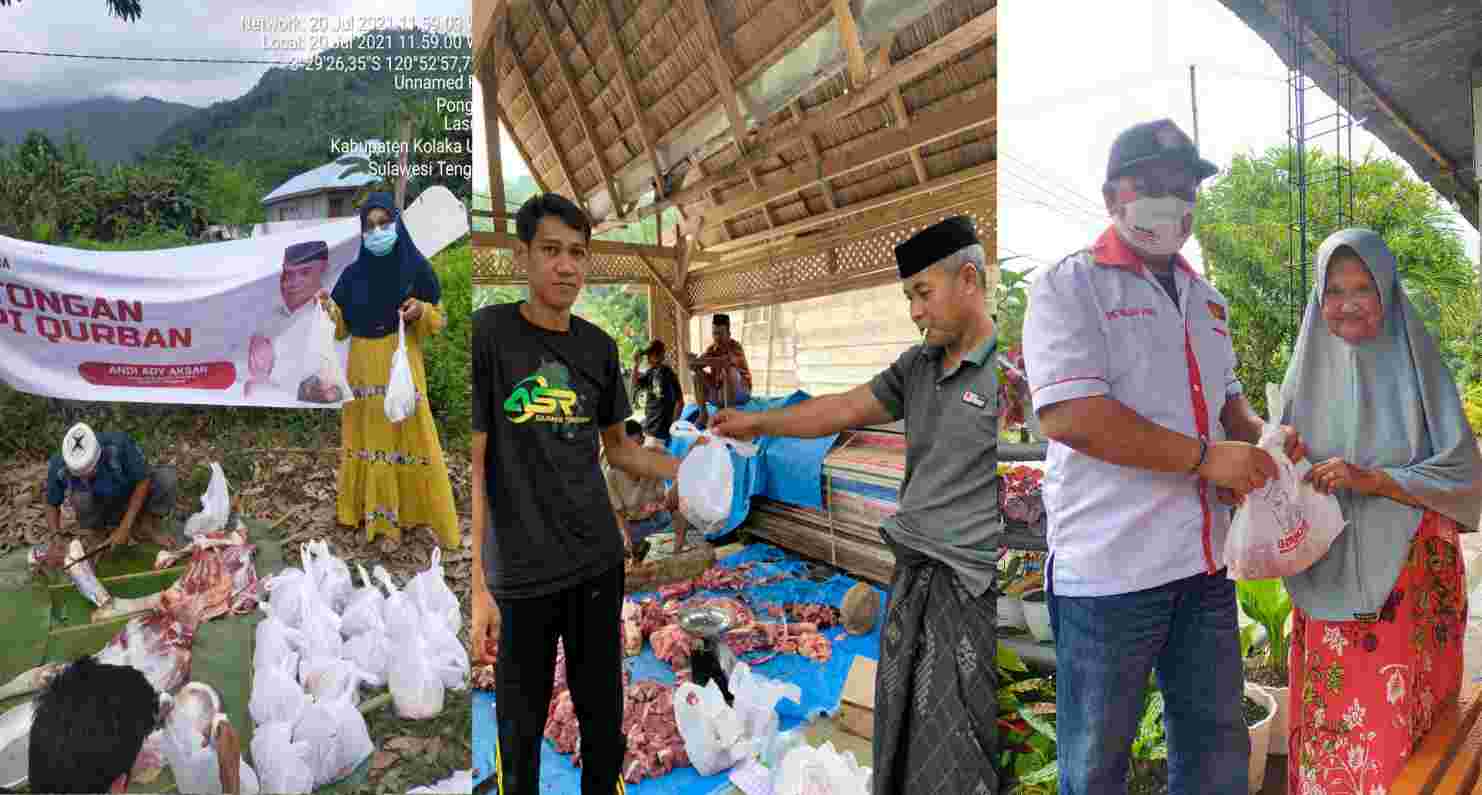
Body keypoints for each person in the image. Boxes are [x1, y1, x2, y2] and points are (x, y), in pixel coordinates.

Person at [1022, 118, 1299, 794]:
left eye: (1185, 188)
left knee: (1215, 755)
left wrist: (1264, 438)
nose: (1172, 201)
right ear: (1113, 194)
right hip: (1110, 576)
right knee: (1095, 767)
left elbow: (1230, 402)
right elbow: (1071, 414)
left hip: (1204, 569)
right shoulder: (1071, 287)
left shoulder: (1209, 302)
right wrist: (1209, 459)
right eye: (1153, 185)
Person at [711, 215, 1000, 795]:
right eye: (908, 297)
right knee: (901, 719)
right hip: (914, 574)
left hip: (972, 586)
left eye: (923, 293)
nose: (915, 311)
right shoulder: (917, 366)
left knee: (960, 736)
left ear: (968, 279)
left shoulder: (1006, 371)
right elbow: (841, 408)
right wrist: (758, 421)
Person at [470, 193, 694, 794]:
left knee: (604, 721)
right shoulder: (489, 336)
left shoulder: (598, 347)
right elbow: (476, 462)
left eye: (577, 253)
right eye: (551, 251)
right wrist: (479, 587)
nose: (566, 266)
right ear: (524, 257)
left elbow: (620, 449)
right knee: (518, 735)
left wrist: (689, 468)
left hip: (595, 563)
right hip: (519, 575)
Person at [1280, 229, 1482, 793]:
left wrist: (1375, 480)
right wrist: (1284, 455)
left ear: (1387, 291)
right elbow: (1279, 471)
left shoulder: (1418, 364)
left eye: (1363, 287)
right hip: (1326, 571)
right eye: (1335, 289)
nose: (1347, 302)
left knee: (1405, 734)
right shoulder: (1306, 371)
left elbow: (1464, 473)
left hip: (1408, 585)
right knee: (1336, 727)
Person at [317, 192, 459, 549]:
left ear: (396, 223)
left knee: (409, 436)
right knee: (370, 441)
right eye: (371, 226)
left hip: (402, 368)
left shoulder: (416, 268)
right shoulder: (352, 275)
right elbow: (341, 327)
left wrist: (421, 312)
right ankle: (374, 519)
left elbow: (439, 318)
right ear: (363, 232)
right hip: (362, 371)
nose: (378, 231)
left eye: (384, 223)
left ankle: (411, 516)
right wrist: (327, 309)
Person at [45, 422, 178, 549]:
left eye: (89, 473)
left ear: (98, 457)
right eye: (79, 476)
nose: (84, 479)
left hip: (130, 496)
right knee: (81, 497)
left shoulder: (119, 444)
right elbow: (51, 503)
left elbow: (143, 480)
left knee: (167, 478)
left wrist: (124, 528)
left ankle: (147, 525)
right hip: (101, 507)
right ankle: (98, 534)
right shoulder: (59, 464)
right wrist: (56, 538)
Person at [244, 240, 342, 404]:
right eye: (288, 274)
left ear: (323, 268)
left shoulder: (330, 311)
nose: (293, 282)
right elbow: (250, 384)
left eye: (305, 273)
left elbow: (334, 390)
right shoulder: (270, 318)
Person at [605, 420, 691, 558]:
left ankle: (677, 552)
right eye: (630, 447)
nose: (634, 453)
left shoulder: (653, 458)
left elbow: (680, 474)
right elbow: (618, 513)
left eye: (638, 445)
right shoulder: (613, 473)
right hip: (633, 526)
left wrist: (664, 502)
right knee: (617, 544)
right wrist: (627, 538)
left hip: (659, 521)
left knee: (682, 508)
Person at [688, 314, 751, 428]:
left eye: (720, 333)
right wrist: (692, 361)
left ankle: (729, 417)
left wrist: (700, 361)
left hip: (740, 393)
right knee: (696, 375)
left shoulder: (735, 347)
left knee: (729, 371)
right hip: (720, 393)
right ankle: (703, 415)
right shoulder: (712, 349)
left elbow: (724, 362)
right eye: (714, 333)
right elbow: (693, 366)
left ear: (728, 334)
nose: (717, 337)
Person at [631, 339, 683, 449]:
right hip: (649, 429)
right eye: (648, 354)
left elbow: (680, 402)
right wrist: (636, 364)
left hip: (660, 432)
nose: (648, 358)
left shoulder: (668, 373)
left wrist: (672, 427)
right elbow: (635, 383)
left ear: (660, 355)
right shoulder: (651, 372)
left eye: (651, 354)